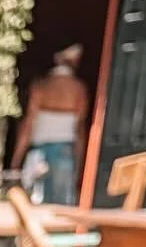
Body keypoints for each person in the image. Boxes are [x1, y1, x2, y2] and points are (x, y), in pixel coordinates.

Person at [11, 44, 89, 205]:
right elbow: (79, 129)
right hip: (65, 151)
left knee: (31, 203)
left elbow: (28, 124)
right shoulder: (79, 90)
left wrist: (16, 160)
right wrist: (80, 164)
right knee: (61, 208)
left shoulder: (40, 87)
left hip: (38, 152)